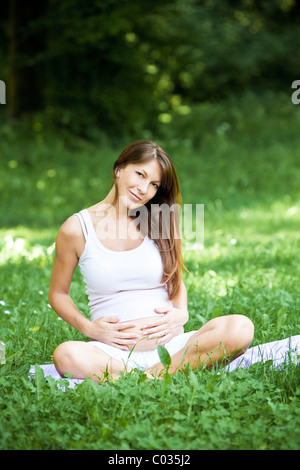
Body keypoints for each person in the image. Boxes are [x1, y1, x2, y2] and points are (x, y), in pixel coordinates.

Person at [49, 140, 254, 382]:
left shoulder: (159, 219)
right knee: (65, 355)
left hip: (174, 349)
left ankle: (148, 378)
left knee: (240, 327)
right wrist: (89, 328)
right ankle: (159, 377)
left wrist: (182, 314)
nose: (144, 188)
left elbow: (174, 279)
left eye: (154, 184)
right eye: (140, 174)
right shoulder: (76, 228)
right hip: (113, 354)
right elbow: (58, 294)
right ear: (118, 169)